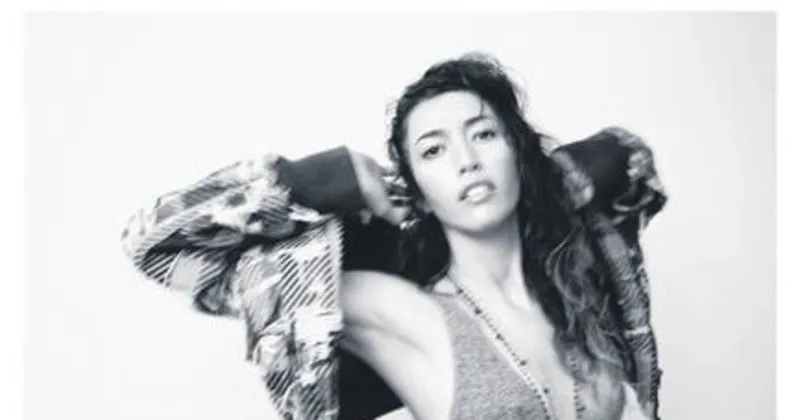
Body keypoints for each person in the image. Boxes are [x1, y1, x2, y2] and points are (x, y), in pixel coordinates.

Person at [121, 53, 666, 420]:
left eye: (484, 134)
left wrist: (547, 179)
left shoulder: (581, 282)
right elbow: (157, 244)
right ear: (417, 192)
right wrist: (322, 180)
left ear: (519, 157)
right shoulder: (393, 310)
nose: (467, 160)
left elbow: (629, 162)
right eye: (434, 150)